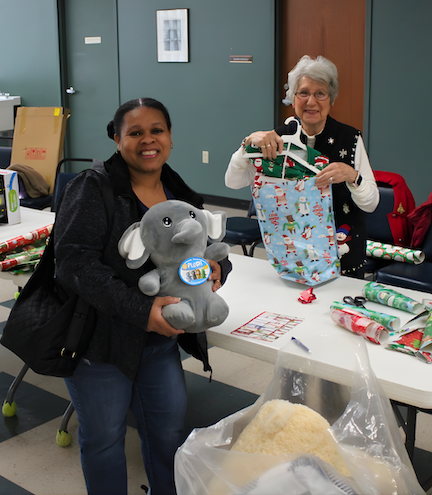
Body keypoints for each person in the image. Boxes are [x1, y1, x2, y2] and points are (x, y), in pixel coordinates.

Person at [53, 97, 232, 495]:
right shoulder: (92, 188)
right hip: (100, 345)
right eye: (135, 132)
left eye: (157, 130)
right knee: (104, 441)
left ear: (170, 137)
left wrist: (218, 267)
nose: (148, 140)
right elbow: (73, 262)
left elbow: (205, 244)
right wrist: (141, 308)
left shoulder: (178, 190)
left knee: (167, 433)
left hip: (158, 345)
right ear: (117, 140)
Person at [226, 55, 379, 278]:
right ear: (293, 98)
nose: (311, 102)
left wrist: (352, 176)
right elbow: (232, 182)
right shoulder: (275, 140)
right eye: (304, 93)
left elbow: (371, 204)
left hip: (343, 258)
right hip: (290, 257)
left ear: (331, 99)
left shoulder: (350, 139)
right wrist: (245, 147)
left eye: (320, 94)